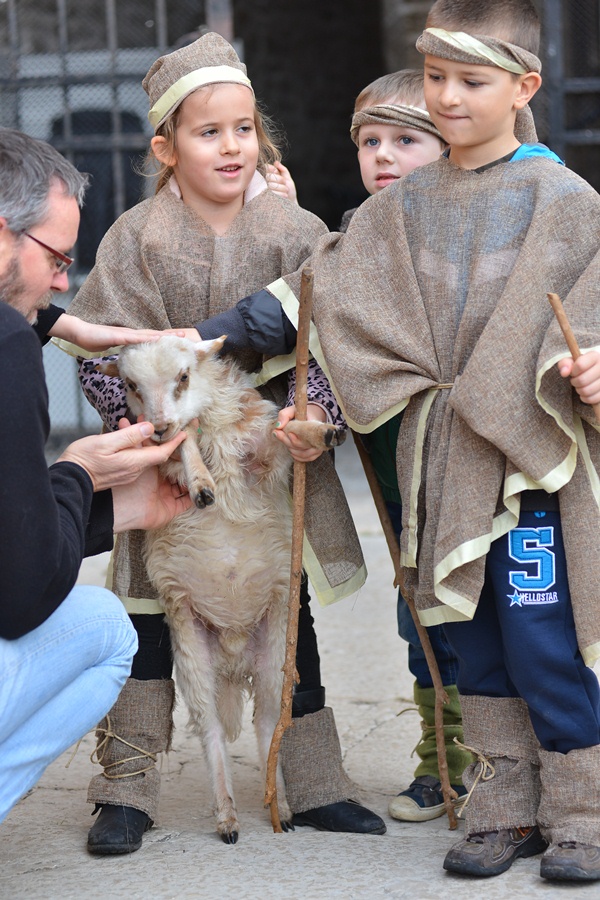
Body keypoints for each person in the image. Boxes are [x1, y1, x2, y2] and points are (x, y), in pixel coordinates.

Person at [195, 0, 600, 883]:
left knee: (542, 637)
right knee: (471, 639)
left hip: (526, 464)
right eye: (436, 77)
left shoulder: (568, 203)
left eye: (472, 80)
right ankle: (503, 803)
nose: (448, 97)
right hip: (434, 459)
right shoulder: (396, 212)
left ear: (524, 86)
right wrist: (315, 409)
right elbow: (341, 321)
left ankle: (581, 809)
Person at [65, 32, 383, 855]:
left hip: (260, 471)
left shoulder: (295, 228)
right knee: (149, 622)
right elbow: (108, 360)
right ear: (166, 146)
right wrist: (143, 430)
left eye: (244, 129)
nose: (232, 146)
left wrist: (314, 414)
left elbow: (331, 335)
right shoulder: (133, 238)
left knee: (289, 617)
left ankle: (309, 781)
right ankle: (126, 788)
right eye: (209, 132)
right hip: (171, 470)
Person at [263, 68, 472, 823]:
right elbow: (333, 335)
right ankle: (442, 762)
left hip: (465, 463)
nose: (382, 155)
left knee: (477, 618)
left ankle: (494, 760)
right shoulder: (357, 235)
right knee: (419, 617)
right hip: (397, 473)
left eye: (405, 140)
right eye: (370, 141)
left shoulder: (455, 237)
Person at [0, 127, 194, 824]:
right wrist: (80, 472)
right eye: (56, 259)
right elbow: (18, 597)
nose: (62, 282)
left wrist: (112, 514)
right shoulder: (6, 348)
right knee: (107, 628)